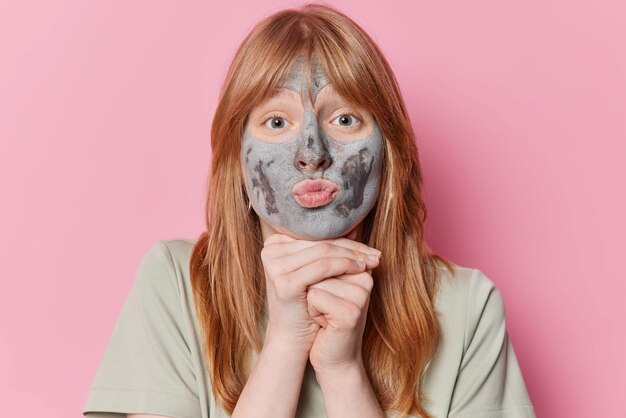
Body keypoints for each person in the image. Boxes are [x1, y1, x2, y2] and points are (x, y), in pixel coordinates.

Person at [82, 3, 535, 418]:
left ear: (388, 148)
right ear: (236, 157)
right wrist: (284, 344)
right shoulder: (179, 283)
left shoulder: (468, 307)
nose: (312, 153)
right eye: (277, 122)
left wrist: (344, 372)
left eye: (344, 119)